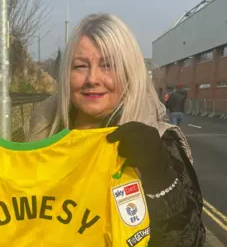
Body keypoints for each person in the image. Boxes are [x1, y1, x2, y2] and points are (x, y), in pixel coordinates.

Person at [24, 13, 205, 246]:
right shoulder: (40, 137)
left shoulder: (160, 143)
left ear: (129, 73)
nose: (93, 78)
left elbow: (188, 239)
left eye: (108, 65)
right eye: (80, 66)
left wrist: (159, 178)